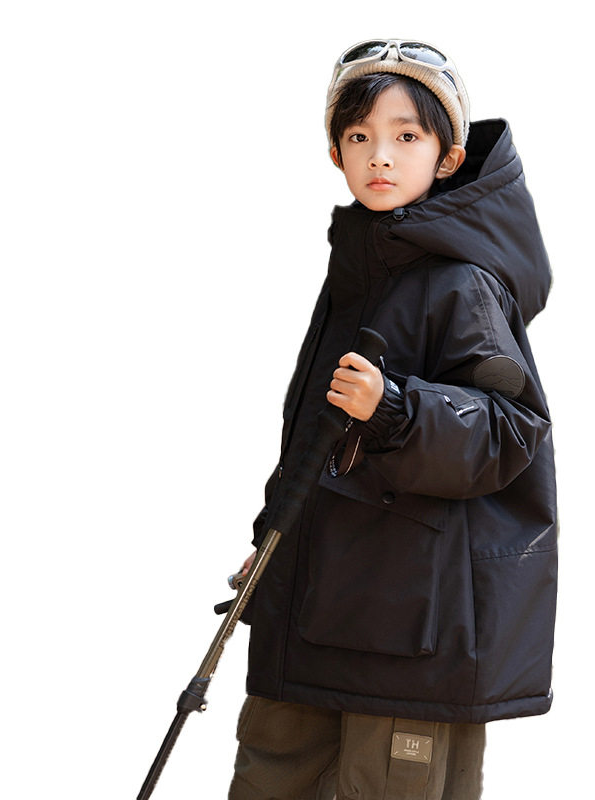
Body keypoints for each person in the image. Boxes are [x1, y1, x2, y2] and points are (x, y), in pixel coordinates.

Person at [229, 39, 557, 800]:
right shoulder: (363, 267)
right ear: (335, 152)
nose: (380, 155)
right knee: (269, 777)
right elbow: (319, 440)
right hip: (317, 609)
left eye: (407, 135)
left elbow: (510, 430)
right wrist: (277, 542)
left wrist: (399, 410)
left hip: (412, 627)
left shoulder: (462, 282)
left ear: (448, 157)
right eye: (360, 135)